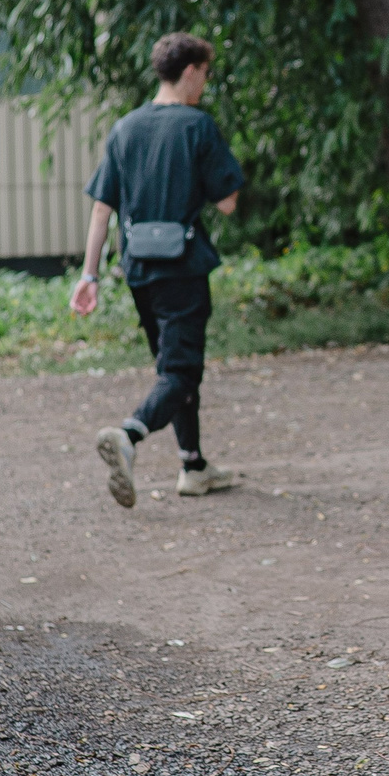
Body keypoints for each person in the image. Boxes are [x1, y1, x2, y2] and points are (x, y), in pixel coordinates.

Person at [73, 32, 247, 507]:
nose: (205, 84)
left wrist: (89, 276)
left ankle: (194, 466)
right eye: (205, 73)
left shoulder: (125, 128)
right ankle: (128, 435)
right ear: (189, 71)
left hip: (139, 270)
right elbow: (228, 202)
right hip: (182, 268)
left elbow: (102, 210)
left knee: (173, 369)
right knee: (181, 372)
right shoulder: (197, 126)